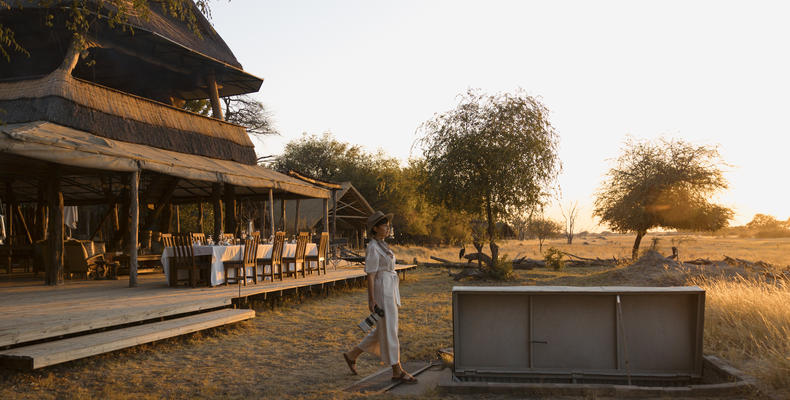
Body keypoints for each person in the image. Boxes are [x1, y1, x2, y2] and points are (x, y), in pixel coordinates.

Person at [342, 211, 417, 383]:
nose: (387, 227)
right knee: (389, 329)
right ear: (375, 228)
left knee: (383, 328)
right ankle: (396, 370)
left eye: (388, 225)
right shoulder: (373, 247)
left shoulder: (383, 245)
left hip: (390, 287)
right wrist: (371, 299)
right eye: (384, 225)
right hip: (382, 289)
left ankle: (352, 355)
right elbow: (371, 275)